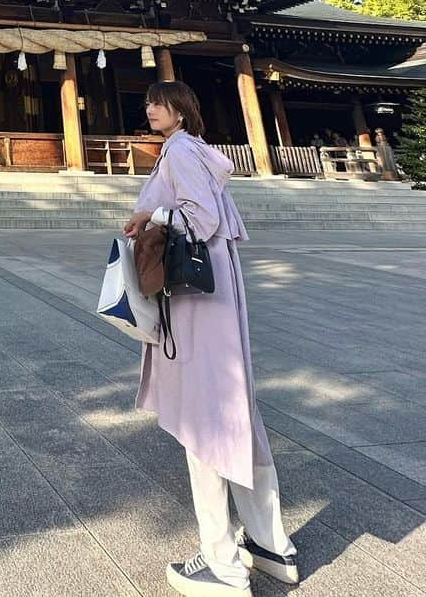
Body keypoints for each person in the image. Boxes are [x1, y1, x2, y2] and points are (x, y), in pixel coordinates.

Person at [123, 81, 298, 595]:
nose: (150, 108)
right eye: (148, 101)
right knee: (236, 411)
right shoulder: (194, 151)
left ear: (182, 109)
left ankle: (221, 563)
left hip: (198, 299)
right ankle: (269, 544)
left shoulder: (179, 151)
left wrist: (149, 215)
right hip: (217, 292)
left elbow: (201, 219)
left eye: (159, 101)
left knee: (205, 418)